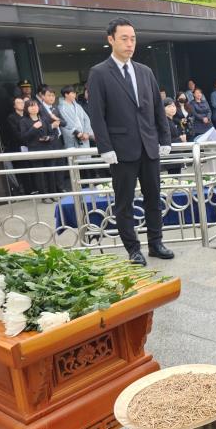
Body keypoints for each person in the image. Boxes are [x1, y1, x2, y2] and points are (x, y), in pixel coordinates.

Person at [87, 17, 173, 266]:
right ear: (111, 40)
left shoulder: (145, 71)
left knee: (153, 198)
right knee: (124, 203)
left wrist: (164, 138)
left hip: (149, 146)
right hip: (121, 150)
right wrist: (105, 147)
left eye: (133, 39)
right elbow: (97, 114)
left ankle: (156, 243)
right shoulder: (99, 73)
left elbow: (157, 108)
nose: (129, 43)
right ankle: (133, 249)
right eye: (124, 38)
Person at [19, 99, 56, 201]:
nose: (34, 108)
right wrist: (34, 128)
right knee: (39, 175)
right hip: (35, 150)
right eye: (31, 106)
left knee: (51, 173)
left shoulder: (44, 119)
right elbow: (24, 138)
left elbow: (52, 134)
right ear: (26, 109)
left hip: (47, 149)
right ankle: (44, 197)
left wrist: (48, 138)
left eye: (35, 105)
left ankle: (53, 194)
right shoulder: (23, 121)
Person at [59, 85, 94, 151]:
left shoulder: (78, 106)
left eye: (75, 93)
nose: (75, 95)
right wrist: (79, 133)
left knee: (87, 155)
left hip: (85, 137)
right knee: (76, 156)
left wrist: (86, 132)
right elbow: (67, 124)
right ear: (66, 94)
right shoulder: (62, 108)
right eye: (72, 93)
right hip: (73, 139)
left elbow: (86, 119)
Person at [164, 97, 185, 175]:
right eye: (169, 106)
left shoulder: (172, 120)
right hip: (171, 155)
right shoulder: (165, 122)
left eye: (173, 106)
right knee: (173, 177)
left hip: (176, 154)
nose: (172, 108)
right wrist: (180, 139)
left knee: (177, 176)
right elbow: (165, 139)